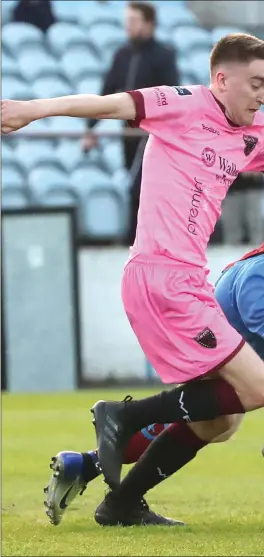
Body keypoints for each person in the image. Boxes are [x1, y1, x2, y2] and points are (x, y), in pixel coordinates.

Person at [1, 33, 264, 526]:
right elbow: (108, 104)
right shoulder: (182, 103)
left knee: (219, 420)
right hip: (163, 277)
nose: (262, 93)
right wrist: (32, 109)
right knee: (257, 388)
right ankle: (123, 415)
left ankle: (116, 498)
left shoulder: (248, 132)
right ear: (221, 79)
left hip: (185, 281)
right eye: (256, 83)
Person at [43, 243, 264, 526]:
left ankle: (96, 472)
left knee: (217, 421)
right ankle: (123, 425)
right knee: (223, 415)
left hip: (211, 324)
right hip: (207, 331)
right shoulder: (257, 274)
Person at [82, 1, 179, 246]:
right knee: (135, 183)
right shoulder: (122, 55)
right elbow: (106, 93)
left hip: (152, 134)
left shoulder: (164, 56)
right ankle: (142, 240)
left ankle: (139, 239)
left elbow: (172, 96)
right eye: (127, 21)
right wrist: (90, 129)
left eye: (134, 21)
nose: (129, 26)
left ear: (149, 24)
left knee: (142, 186)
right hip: (127, 133)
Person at [221, 171, 264, 244]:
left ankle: (258, 248)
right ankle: (231, 250)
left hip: (253, 184)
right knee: (232, 222)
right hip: (231, 186)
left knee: (255, 220)